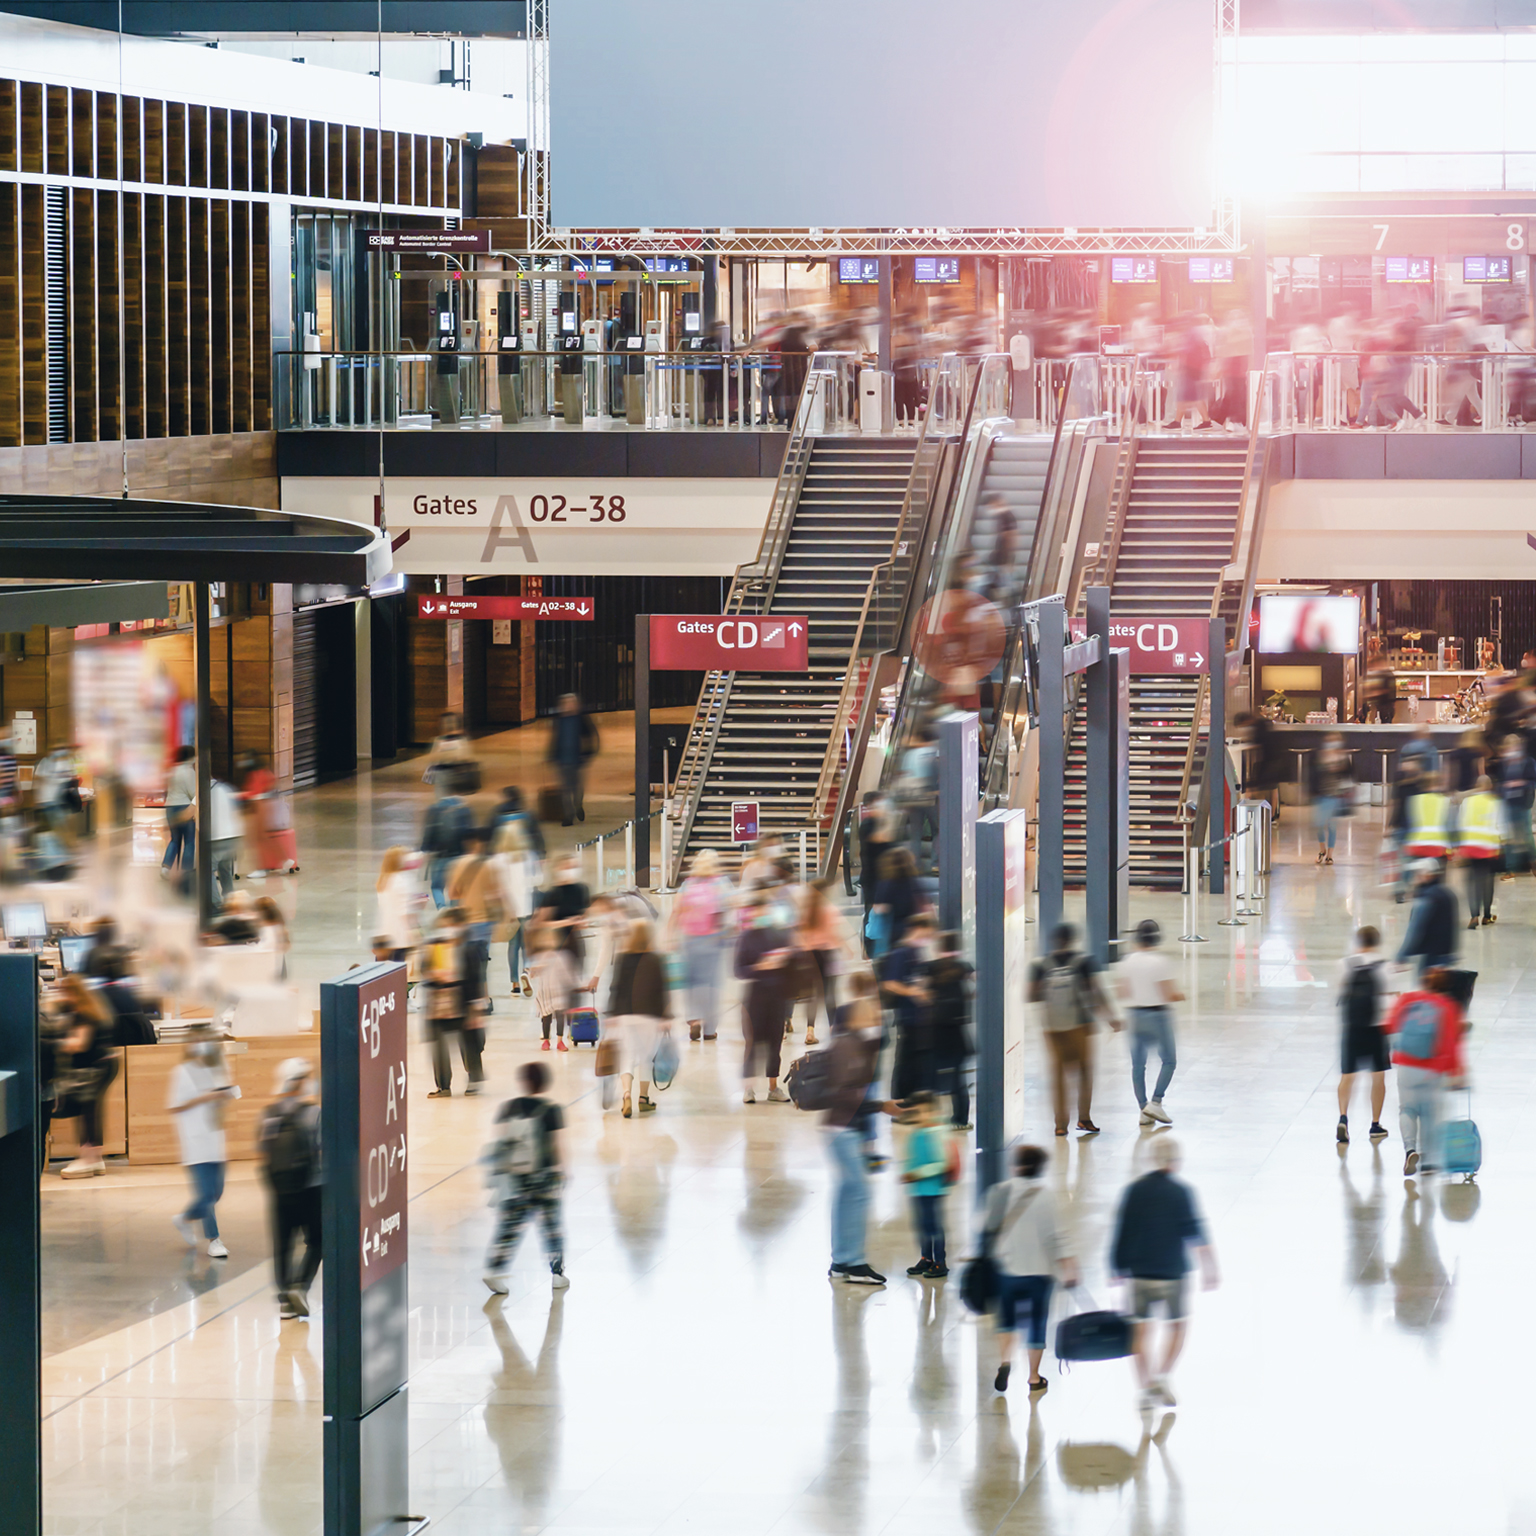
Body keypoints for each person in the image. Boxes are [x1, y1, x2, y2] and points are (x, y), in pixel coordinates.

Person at [1109, 1137, 1219, 1410]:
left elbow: (1123, 1231)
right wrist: (1210, 1267)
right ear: (1175, 1161)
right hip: (1173, 1273)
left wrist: (1117, 1267)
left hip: (1140, 1272)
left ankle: (1146, 1388)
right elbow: (1195, 1231)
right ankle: (1163, 1376)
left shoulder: (1133, 1191)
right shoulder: (1181, 1192)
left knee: (1140, 1331)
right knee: (1178, 1326)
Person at [981, 1142, 1078, 1395]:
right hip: (1039, 1274)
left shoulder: (998, 1192)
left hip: (1006, 1271)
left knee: (1007, 1321)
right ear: (1040, 1169)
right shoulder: (1046, 1197)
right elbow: (1056, 1237)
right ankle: (1034, 1377)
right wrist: (1069, 1264)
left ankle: (1005, 1361)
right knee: (1036, 1324)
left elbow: (983, 1227)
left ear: (1015, 1167)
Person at [824, 971, 894, 1285]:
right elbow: (847, 1096)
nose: (876, 1020)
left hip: (843, 1127)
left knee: (846, 1190)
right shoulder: (848, 1048)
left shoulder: (859, 1046)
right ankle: (852, 1261)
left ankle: (841, 1259)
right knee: (860, 1191)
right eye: (871, 1016)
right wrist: (882, 1107)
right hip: (841, 1128)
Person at [483, 1059, 570, 1294]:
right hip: (544, 1176)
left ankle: (494, 1269)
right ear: (544, 1082)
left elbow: (499, 1142)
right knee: (551, 1225)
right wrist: (563, 1172)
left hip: (516, 1178)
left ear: (523, 1082)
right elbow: (557, 1146)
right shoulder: (552, 1110)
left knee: (510, 1225)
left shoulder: (507, 1108)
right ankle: (557, 1274)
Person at [1028, 921, 1117, 1136]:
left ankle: (1060, 1125)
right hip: (1080, 1025)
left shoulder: (1040, 966)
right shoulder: (1085, 962)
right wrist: (1110, 1017)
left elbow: (1031, 996)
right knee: (1084, 1071)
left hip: (1052, 1028)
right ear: (1073, 940)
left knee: (1058, 1075)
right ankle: (1084, 1119)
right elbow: (1096, 992)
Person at [1384, 968, 1467, 1179]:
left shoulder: (1408, 999)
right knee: (1430, 1115)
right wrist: (1457, 1072)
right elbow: (1450, 1044)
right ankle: (1429, 1162)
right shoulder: (1447, 1007)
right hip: (1432, 1070)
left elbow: (1390, 1025)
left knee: (1407, 1110)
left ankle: (1410, 1150)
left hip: (1406, 1066)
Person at [257, 1057, 321, 1319]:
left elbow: (263, 1152)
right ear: (298, 1082)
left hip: (279, 1190)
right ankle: (300, 1285)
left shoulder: (268, 1114)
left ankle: (285, 1300)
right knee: (318, 1240)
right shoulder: (314, 1113)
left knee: (282, 1244)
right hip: (311, 1187)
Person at [167, 1032, 237, 1260]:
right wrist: (203, 1098)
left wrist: (226, 1094)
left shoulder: (218, 1068)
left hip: (215, 1140)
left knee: (216, 1193)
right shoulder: (181, 1072)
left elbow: (224, 1094)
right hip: (194, 1142)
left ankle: (185, 1217)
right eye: (198, 1040)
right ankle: (214, 1240)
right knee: (206, 1195)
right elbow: (174, 1105)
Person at [51, 975, 121, 1179]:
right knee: (90, 1108)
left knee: (86, 1108)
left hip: (95, 1068)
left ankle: (88, 1158)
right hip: (103, 1065)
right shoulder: (90, 1008)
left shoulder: (84, 1013)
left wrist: (53, 1045)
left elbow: (79, 1043)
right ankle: (94, 1158)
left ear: (72, 993)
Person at [1115, 919, 1183, 1128]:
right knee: (1169, 1061)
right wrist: (1180, 995)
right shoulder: (1159, 961)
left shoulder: (1126, 961)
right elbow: (1168, 993)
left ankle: (1143, 1109)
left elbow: (1122, 992)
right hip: (1158, 1016)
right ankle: (1156, 1101)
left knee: (1138, 1065)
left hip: (1134, 1015)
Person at [734, 885, 795, 1104]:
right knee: (752, 1043)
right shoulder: (747, 937)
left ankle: (773, 1087)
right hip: (755, 997)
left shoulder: (780, 934)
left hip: (778, 995)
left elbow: (793, 958)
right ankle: (748, 1088)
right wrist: (760, 966)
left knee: (774, 1043)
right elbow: (738, 970)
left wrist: (785, 959)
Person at [606, 917, 672, 1119]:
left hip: (627, 1015)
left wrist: (612, 1013)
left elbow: (616, 988)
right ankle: (643, 1099)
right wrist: (665, 1017)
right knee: (645, 1058)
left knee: (627, 1056)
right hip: (649, 1017)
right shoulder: (656, 959)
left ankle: (626, 1095)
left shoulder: (623, 958)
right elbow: (662, 990)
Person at [667, 848, 733, 1042]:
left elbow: (676, 911)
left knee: (690, 982)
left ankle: (693, 1020)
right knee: (711, 985)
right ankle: (710, 1029)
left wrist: (669, 936)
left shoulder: (688, 884)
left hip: (689, 939)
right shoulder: (721, 883)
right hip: (713, 940)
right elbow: (732, 909)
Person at [1336, 924, 1391, 1145]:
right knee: (1377, 1076)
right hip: (1376, 1028)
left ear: (1358, 942)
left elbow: (1339, 993)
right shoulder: (1386, 967)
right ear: (1378, 942)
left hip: (1351, 1027)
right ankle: (1375, 1124)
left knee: (1347, 1076)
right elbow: (1390, 998)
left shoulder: (1343, 965)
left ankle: (1343, 1117)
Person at [423, 907, 484, 1097]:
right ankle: (443, 1085)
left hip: (462, 1002)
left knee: (468, 1043)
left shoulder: (470, 948)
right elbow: (425, 968)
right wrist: (435, 974)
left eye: (450, 925)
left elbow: (476, 980)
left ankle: (474, 1079)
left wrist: (476, 1008)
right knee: (439, 1046)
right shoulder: (435, 946)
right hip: (439, 1003)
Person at [446, 828, 504, 1018]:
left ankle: (463, 1000)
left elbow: (452, 894)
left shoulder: (457, 865)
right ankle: (483, 1000)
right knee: (480, 964)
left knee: (462, 963)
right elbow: (496, 893)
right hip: (484, 922)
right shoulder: (488, 865)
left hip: (464, 922)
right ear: (480, 844)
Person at [795, 877, 853, 1047]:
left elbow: (799, 934)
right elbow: (833, 934)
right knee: (830, 994)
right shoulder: (829, 909)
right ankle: (833, 1029)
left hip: (809, 957)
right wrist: (847, 948)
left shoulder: (806, 909)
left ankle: (810, 1031)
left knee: (812, 995)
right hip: (826, 954)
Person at [884, 913, 936, 1100]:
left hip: (921, 1016)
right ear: (917, 929)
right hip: (908, 1016)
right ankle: (900, 1098)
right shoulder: (900, 953)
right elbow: (890, 983)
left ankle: (915, 1095)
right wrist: (914, 993)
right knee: (905, 1059)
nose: (928, 938)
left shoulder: (917, 952)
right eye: (927, 933)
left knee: (917, 1058)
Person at [900, 1091, 952, 1279]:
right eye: (915, 1113)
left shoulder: (937, 1133)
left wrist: (916, 1173)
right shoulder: (918, 1133)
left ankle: (940, 1261)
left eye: (922, 1112)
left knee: (934, 1226)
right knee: (922, 1225)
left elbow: (942, 1163)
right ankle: (926, 1258)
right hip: (919, 1189)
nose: (918, 1117)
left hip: (933, 1189)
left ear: (932, 1112)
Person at [926, 930, 974, 1130]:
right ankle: (960, 1119)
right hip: (957, 1030)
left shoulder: (930, 968)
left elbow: (923, 993)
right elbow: (979, 986)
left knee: (931, 1074)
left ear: (939, 948)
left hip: (935, 1030)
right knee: (958, 1077)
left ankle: (931, 1118)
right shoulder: (964, 967)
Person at [491, 815, 541, 998]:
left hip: (508, 910)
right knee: (527, 943)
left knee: (512, 945)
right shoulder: (528, 856)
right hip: (526, 906)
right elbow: (538, 880)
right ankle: (526, 971)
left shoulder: (499, 859)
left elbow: (497, 886)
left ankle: (514, 985)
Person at [1395, 859, 1460, 976]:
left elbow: (1416, 928)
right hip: (1446, 955)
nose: (1414, 878)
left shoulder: (1426, 898)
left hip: (1431, 959)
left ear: (1427, 875)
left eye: (1416, 874)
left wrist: (1402, 955)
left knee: (1426, 991)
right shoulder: (1447, 893)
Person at [238, 753, 298, 877]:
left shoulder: (256, 774)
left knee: (258, 838)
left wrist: (241, 796)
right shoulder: (266, 772)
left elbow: (255, 792)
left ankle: (262, 868)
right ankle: (284, 860)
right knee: (265, 838)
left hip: (260, 806)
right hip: (267, 805)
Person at [1456, 774, 1502, 928]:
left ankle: (1474, 916)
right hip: (1489, 849)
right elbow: (1501, 826)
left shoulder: (1467, 802)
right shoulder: (1495, 802)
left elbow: (1460, 824)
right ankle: (1487, 915)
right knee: (1488, 882)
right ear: (1489, 787)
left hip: (1470, 847)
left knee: (1472, 882)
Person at [547, 692, 599, 825]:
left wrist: (588, 753)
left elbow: (591, 735)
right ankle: (568, 815)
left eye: (571, 703)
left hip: (577, 759)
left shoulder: (582, 719)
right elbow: (555, 738)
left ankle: (578, 806)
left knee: (577, 788)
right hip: (562, 759)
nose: (568, 705)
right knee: (565, 789)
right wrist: (551, 755)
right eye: (566, 703)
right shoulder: (559, 719)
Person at [420, 784, 472, 908]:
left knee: (437, 886)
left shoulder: (434, 809)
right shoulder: (464, 810)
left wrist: (425, 849)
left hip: (440, 855)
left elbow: (428, 831)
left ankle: (442, 908)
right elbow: (469, 833)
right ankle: (454, 913)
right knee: (457, 887)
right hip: (459, 856)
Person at [527, 921, 577, 1051]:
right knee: (546, 1018)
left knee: (560, 1016)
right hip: (545, 993)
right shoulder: (540, 958)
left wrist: (574, 984)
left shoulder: (561, 957)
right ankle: (546, 1040)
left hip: (559, 992)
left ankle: (560, 1041)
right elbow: (534, 972)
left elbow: (567, 973)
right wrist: (532, 972)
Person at [857, 792, 894, 956]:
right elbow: (881, 838)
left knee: (884, 914)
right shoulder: (867, 825)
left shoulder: (881, 822)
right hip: (872, 879)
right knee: (872, 914)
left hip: (885, 878)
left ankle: (882, 947)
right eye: (879, 803)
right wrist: (888, 820)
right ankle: (868, 949)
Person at [868, 845, 922, 959]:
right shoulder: (914, 882)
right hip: (912, 929)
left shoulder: (885, 883)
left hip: (890, 931)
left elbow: (879, 908)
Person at [1308, 733, 1353, 865]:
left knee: (1332, 826)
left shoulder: (1343, 758)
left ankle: (1330, 855)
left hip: (1335, 796)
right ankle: (1322, 849)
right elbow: (1313, 775)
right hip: (1321, 795)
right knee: (1319, 825)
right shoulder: (1320, 756)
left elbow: (1348, 776)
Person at [1494, 733, 1536, 876]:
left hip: (1523, 802)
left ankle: (1534, 863)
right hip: (1508, 802)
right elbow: (1500, 782)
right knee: (1509, 836)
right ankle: (1511, 868)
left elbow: (1532, 781)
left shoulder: (1527, 761)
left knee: (1526, 835)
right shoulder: (1503, 763)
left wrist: (1520, 784)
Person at [375, 846, 424, 962]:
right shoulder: (403, 880)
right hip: (402, 937)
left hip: (385, 934)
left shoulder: (383, 880)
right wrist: (417, 933)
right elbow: (406, 910)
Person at [161, 744, 197, 889]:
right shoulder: (189, 771)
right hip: (184, 807)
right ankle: (186, 872)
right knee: (189, 841)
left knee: (175, 839)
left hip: (170, 807)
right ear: (191, 757)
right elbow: (193, 792)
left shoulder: (173, 770)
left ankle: (165, 868)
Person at [208, 775, 243, 904]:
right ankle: (231, 901)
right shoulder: (226, 789)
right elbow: (237, 810)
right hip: (231, 837)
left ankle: (216, 904)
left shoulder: (203, 791)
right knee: (225, 871)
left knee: (209, 871)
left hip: (216, 838)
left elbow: (190, 812)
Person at [1402, 772, 1451, 863]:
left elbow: (1409, 822)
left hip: (1417, 843)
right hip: (1439, 845)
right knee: (1437, 874)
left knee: (1417, 873)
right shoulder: (1445, 800)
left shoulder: (1413, 800)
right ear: (1438, 784)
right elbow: (1449, 824)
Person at [253, 896, 290, 981]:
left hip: (269, 970)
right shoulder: (278, 927)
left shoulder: (268, 930)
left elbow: (265, 949)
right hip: (277, 969)